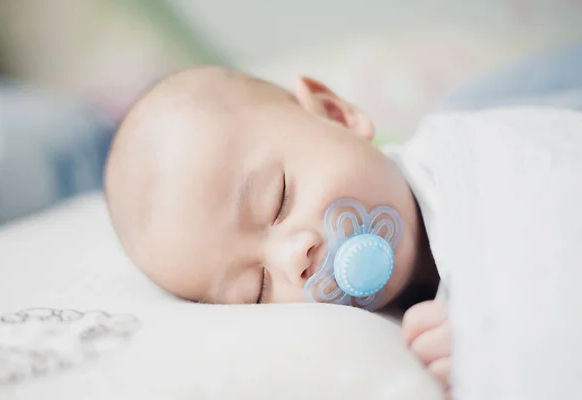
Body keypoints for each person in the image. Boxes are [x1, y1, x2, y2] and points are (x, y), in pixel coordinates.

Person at [104, 65, 582, 399]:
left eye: (280, 199)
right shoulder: (408, 333)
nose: (293, 261)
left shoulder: (490, 164)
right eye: (258, 288)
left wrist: (510, 333)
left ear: (335, 112)